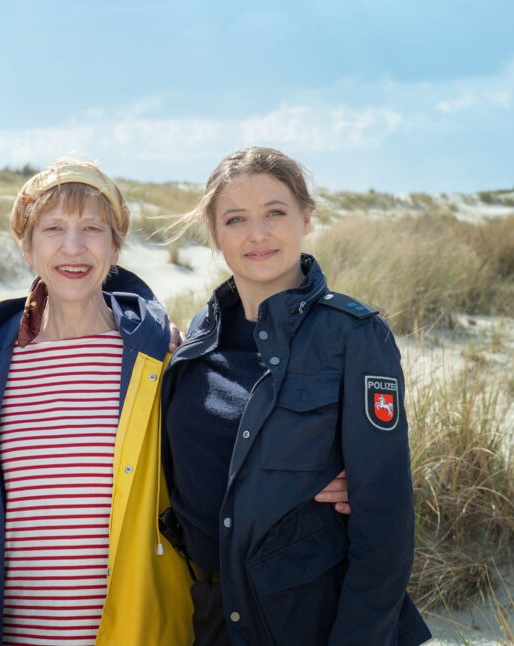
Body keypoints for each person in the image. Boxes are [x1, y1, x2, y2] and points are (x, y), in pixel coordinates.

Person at [162, 146, 431, 645]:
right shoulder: (199, 335)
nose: (257, 234)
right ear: (216, 235)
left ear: (306, 217)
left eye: (275, 213)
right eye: (236, 219)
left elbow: (385, 526)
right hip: (207, 616)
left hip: (308, 618)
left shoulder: (354, 336)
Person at [0, 159, 194, 645]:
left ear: (115, 247)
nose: (74, 247)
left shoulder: (159, 358)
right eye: (53, 229)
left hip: (136, 631)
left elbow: (223, 452)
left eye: (92, 228)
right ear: (27, 247)